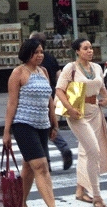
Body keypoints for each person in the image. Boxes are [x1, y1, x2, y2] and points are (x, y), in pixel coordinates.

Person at [56, 38, 107, 207]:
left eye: (91, 47)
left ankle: (80, 191)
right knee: (93, 151)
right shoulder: (71, 68)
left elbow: (101, 86)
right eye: (85, 48)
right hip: (77, 113)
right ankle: (97, 196)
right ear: (77, 51)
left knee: (86, 152)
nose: (90, 51)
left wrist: (106, 98)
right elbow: (59, 90)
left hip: (94, 111)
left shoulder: (96, 67)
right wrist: (69, 108)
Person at [2, 38, 59, 207]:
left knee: (29, 167)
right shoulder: (18, 73)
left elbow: (49, 98)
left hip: (42, 124)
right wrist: (7, 132)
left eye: (42, 52)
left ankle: (20, 203)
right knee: (41, 166)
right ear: (27, 54)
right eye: (36, 52)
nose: (40, 55)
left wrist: (54, 122)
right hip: (23, 124)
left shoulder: (43, 72)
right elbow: (12, 103)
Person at [30, 31, 73, 170]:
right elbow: (59, 76)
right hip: (52, 95)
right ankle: (62, 149)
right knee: (47, 127)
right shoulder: (50, 58)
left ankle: (47, 161)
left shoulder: (33, 61)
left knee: (42, 129)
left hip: (39, 98)